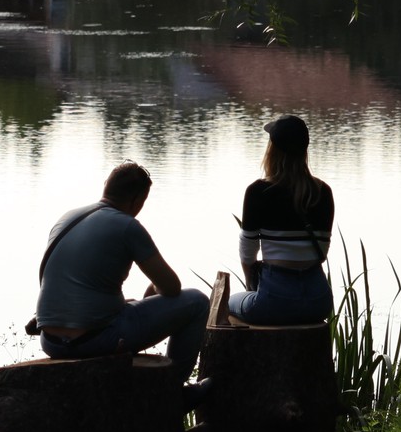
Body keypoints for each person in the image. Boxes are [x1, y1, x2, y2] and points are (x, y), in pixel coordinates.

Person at [34, 162, 209, 381]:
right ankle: (176, 389)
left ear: (106, 186)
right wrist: (152, 290)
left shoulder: (66, 218)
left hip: (50, 342)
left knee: (128, 306)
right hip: (96, 340)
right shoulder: (127, 226)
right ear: (138, 200)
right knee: (197, 302)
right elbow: (172, 287)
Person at [231, 115, 334, 325]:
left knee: (225, 303)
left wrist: (254, 286)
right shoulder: (323, 192)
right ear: (305, 150)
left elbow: (247, 255)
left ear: (272, 150)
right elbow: (321, 254)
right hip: (319, 302)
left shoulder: (258, 192)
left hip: (274, 301)